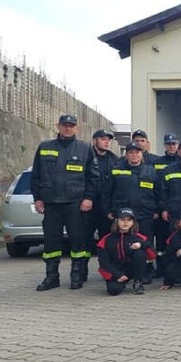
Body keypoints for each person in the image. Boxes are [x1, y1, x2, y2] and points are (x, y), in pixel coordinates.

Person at [31, 114, 100, 291]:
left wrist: (88, 198)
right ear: (58, 126)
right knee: (51, 242)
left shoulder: (85, 148)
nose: (68, 128)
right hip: (51, 203)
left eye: (71, 125)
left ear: (77, 128)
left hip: (75, 204)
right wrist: (37, 198)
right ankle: (51, 277)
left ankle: (76, 276)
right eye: (64, 125)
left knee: (78, 241)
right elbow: (36, 176)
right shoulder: (45, 147)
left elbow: (93, 177)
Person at [104, 141, 160, 282]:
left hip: (145, 214)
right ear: (126, 155)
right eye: (131, 152)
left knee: (145, 243)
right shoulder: (117, 170)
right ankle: (124, 270)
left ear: (142, 154)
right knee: (122, 243)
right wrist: (108, 210)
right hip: (124, 216)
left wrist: (157, 210)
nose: (134, 155)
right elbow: (107, 192)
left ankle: (145, 272)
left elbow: (159, 193)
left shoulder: (151, 171)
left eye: (137, 152)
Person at [96, 208, 156, 296]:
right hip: (116, 270)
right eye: (122, 220)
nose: (126, 222)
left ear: (133, 222)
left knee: (140, 253)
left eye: (129, 220)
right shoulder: (106, 240)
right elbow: (103, 263)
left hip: (133, 268)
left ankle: (138, 281)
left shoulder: (139, 237)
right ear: (116, 221)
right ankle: (123, 281)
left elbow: (152, 255)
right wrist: (117, 275)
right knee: (113, 290)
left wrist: (142, 245)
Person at [87, 128, 119, 285]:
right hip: (88, 206)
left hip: (107, 209)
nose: (106, 141)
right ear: (94, 141)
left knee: (107, 241)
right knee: (84, 240)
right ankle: (80, 273)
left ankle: (107, 269)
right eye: (102, 138)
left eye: (108, 139)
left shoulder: (115, 160)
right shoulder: (86, 156)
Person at [152, 133, 180, 274]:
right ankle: (161, 267)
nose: (171, 146)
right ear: (165, 145)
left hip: (177, 208)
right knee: (161, 239)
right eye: (169, 144)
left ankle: (177, 266)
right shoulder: (157, 162)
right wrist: (160, 207)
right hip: (162, 205)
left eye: (174, 144)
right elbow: (156, 186)